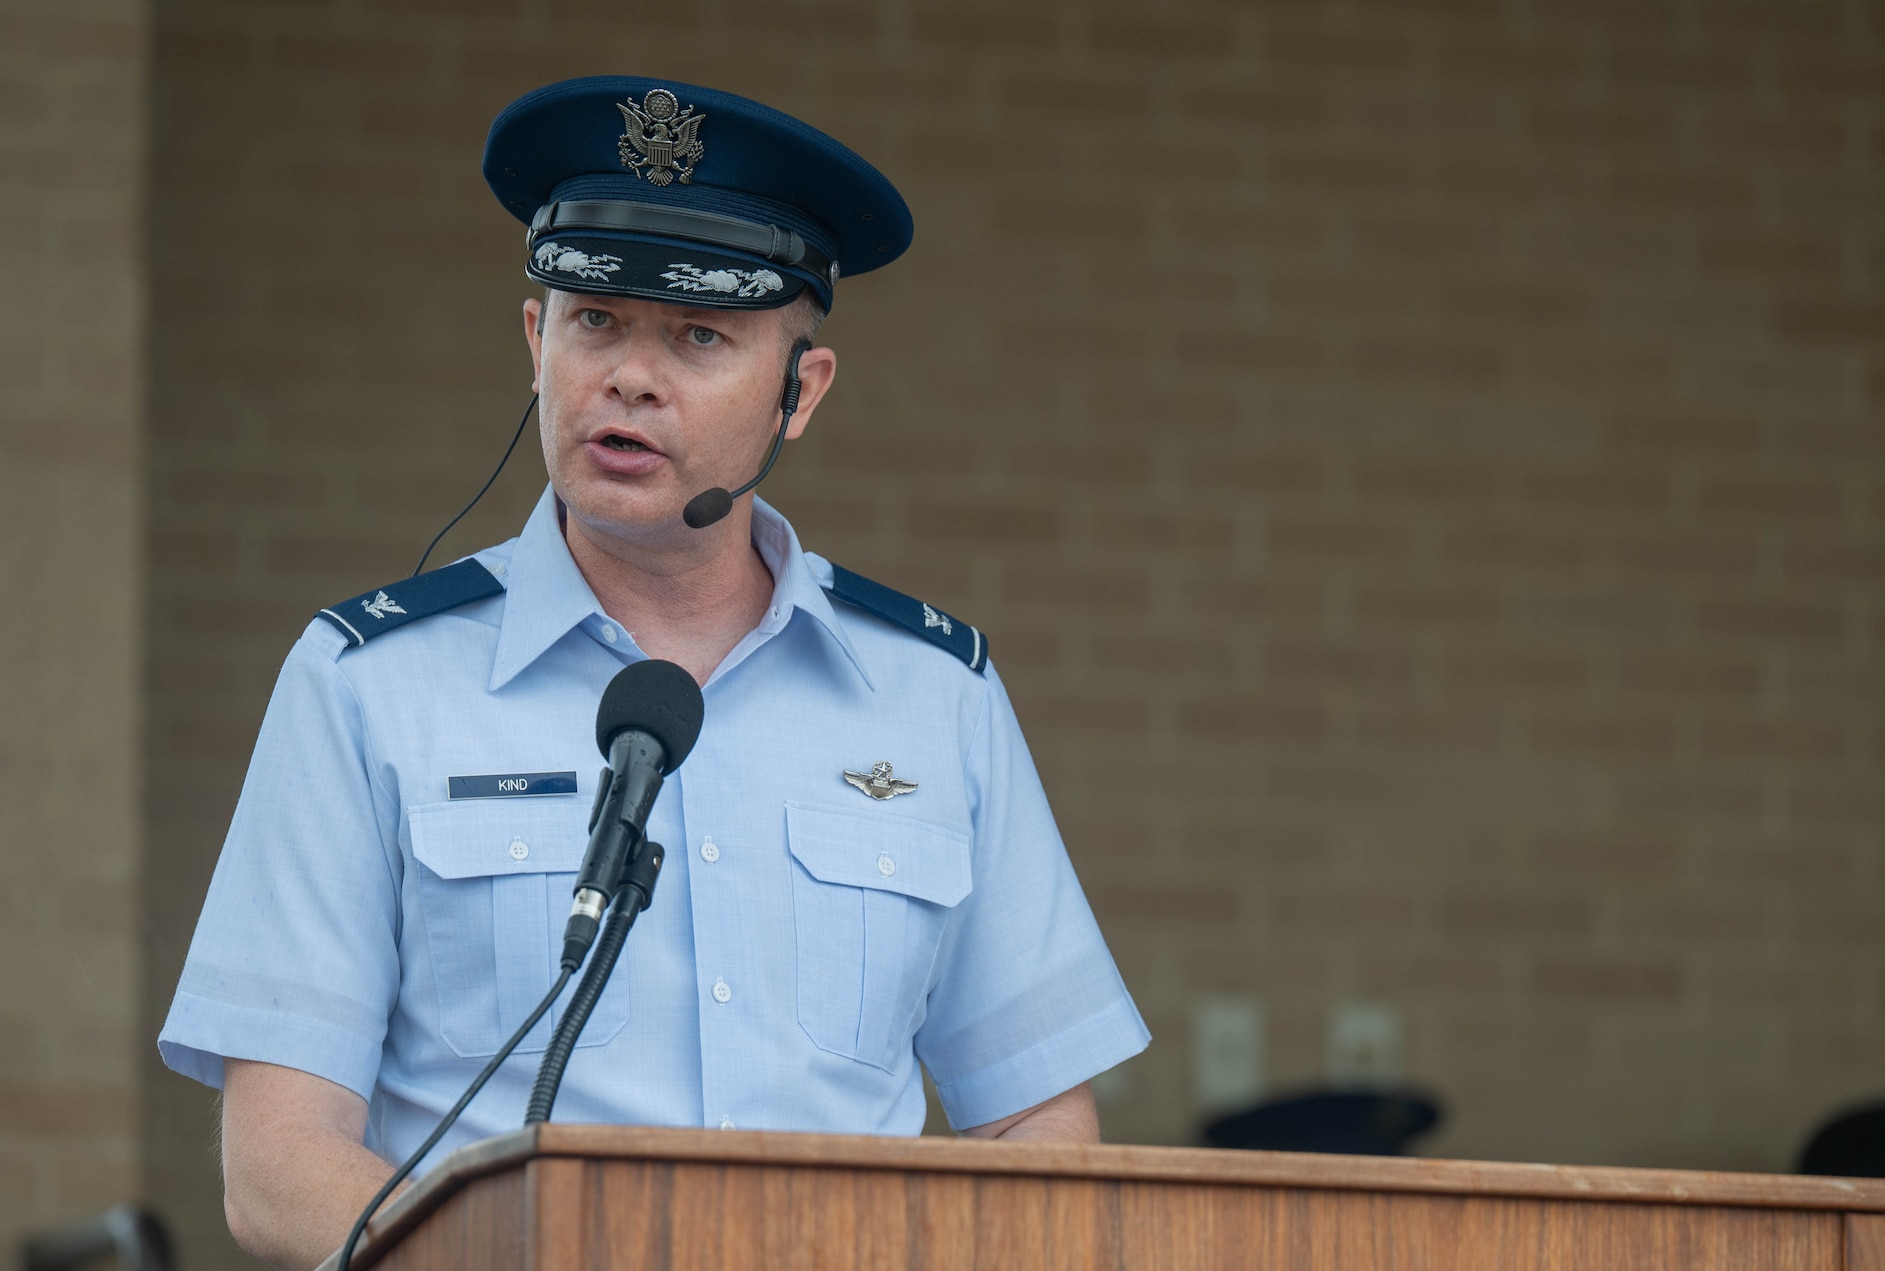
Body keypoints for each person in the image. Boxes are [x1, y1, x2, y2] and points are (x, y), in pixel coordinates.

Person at [157, 76, 1150, 1271]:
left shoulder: (933, 694)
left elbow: (1039, 1121)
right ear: (535, 342)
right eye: (594, 322)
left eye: (698, 337)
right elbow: (277, 1165)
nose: (629, 377)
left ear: (800, 392)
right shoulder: (368, 682)